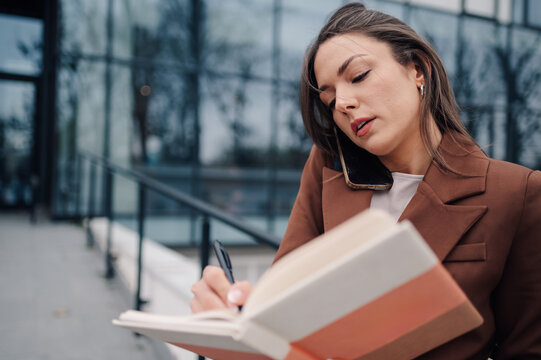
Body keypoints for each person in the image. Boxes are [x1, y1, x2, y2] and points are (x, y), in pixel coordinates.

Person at [190, 3, 541, 359]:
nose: (342, 102)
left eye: (358, 76)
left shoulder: (517, 192)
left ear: (418, 70)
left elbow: (527, 349)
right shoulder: (327, 170)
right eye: (328, 99)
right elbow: (281, 310)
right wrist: (236, 317)